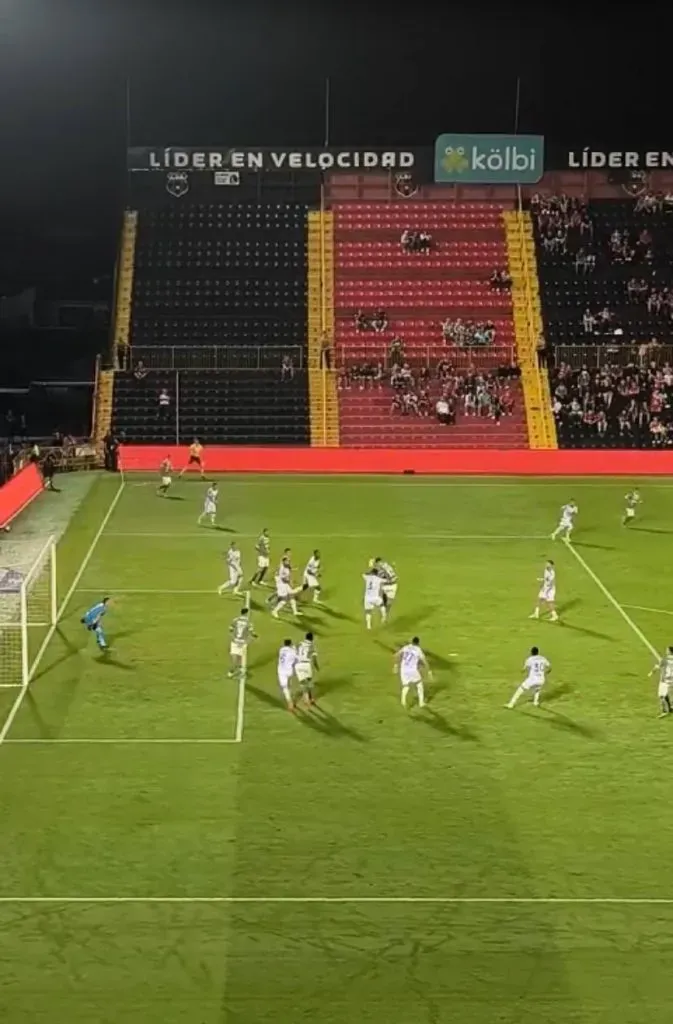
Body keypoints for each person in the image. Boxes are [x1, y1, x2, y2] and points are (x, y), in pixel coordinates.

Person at [394, 636, 431, 709]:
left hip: (403, 670)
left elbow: (396, 655)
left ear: (412, 642)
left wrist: (395, 666)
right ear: (418, 643)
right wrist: (429, 670)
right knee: (419, 684)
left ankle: (403, 701)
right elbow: (424, 661)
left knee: (406, 685)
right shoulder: (418, 650)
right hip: (412, 670)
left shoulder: (406, 647)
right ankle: (421, 703)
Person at [228, 608, 256, 680]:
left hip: (234, 641)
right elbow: (251, 632)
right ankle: (239, 671)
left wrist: (233, 637)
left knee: (234, 657)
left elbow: (230, 629)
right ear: (246, 613)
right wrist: (254, 636)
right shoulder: (248, 622)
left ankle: (231, 672)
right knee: (241, 657)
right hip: (242, 642)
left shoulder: (235, 620)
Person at [294, 632, 319, 705]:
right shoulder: (311, 645)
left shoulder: (300, 644)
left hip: (298, 664)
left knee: (303, 684)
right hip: (306, 665)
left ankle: (294, 701)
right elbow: (314, 659)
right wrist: (316, 666)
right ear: (312, 638)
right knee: (308, 683)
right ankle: (308, 699)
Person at [650, 646, 673, 717]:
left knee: (661, 695)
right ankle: (670, 708)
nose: (666, 651)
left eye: (667, 650)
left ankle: (664, 711)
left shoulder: (665, 660)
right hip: (671, 680)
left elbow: (657, 667)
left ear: (669, 651)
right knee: (665, 694)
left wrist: (651, 672)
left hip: (664, 680)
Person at [363, 566, 387, 630]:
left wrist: (369, 572)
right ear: (377, 573)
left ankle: (368, 626)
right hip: (375, 597)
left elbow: (363, 574)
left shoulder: (367, 577)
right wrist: (383, 574)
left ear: (372, 572)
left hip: (367, 598)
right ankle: (384, 617)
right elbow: (386, 580)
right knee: (382, 604)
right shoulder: (378, 579)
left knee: (368, 611)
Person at [277, 639, 297, 710]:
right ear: (290, 644)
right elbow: (296, 659)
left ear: (284, 644)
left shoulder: (281, 650)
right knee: (289, 686)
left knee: (285, 688)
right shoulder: (292, 651)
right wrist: (294, 649)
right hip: (289, 671)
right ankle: (292, 699)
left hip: (281, 671)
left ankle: (290, 702)